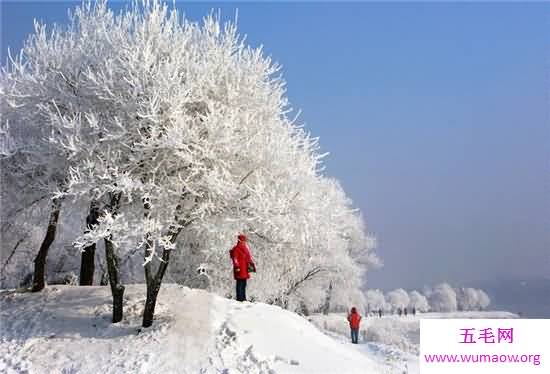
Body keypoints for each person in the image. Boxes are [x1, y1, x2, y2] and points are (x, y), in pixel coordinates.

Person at [229, 234, 255, 302]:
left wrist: (251, 265)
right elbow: (235, 259)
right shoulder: (236, 249)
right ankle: (239, 298)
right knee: (240, 283)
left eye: (245, 241)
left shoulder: (245, 248)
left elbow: (248, 258)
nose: (245, 242)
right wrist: (237, 267)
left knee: (244, 283)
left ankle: (243, 298)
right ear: (240, 241)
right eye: (244, 240)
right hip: (240, 269)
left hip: (245, 269)